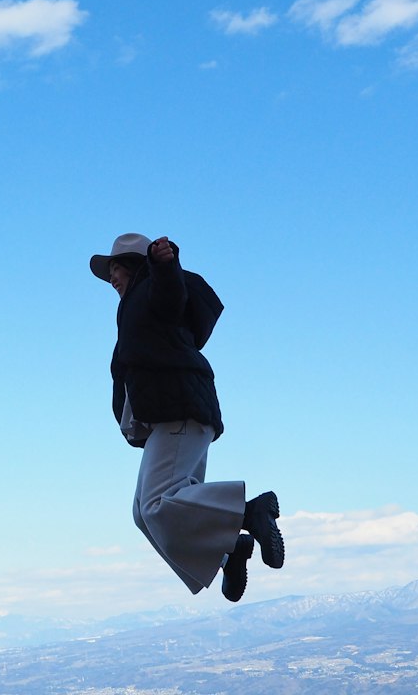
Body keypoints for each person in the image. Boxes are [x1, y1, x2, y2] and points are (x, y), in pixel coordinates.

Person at [91, 232, 285, 603]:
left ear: (137, 266)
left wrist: (163, 264)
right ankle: (228, 552)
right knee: (142, 513)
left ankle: (248, 513)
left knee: (155, 504)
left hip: (179, 411)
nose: (111, 278)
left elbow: (170, 294)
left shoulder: (152, 292)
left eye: (116, 268)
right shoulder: (136, 310)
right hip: (169, 418)